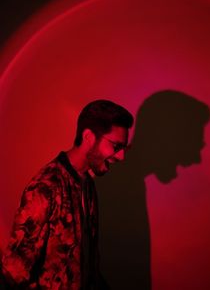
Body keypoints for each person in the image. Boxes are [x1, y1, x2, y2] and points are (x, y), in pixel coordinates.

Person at [0, 99, 134, 289]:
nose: (122, 157)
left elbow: (87, 265)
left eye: (124, 148)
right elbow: (13, 273)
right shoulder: (45, 188)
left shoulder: (87, 184)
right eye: (116, 147)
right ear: (88, 137)